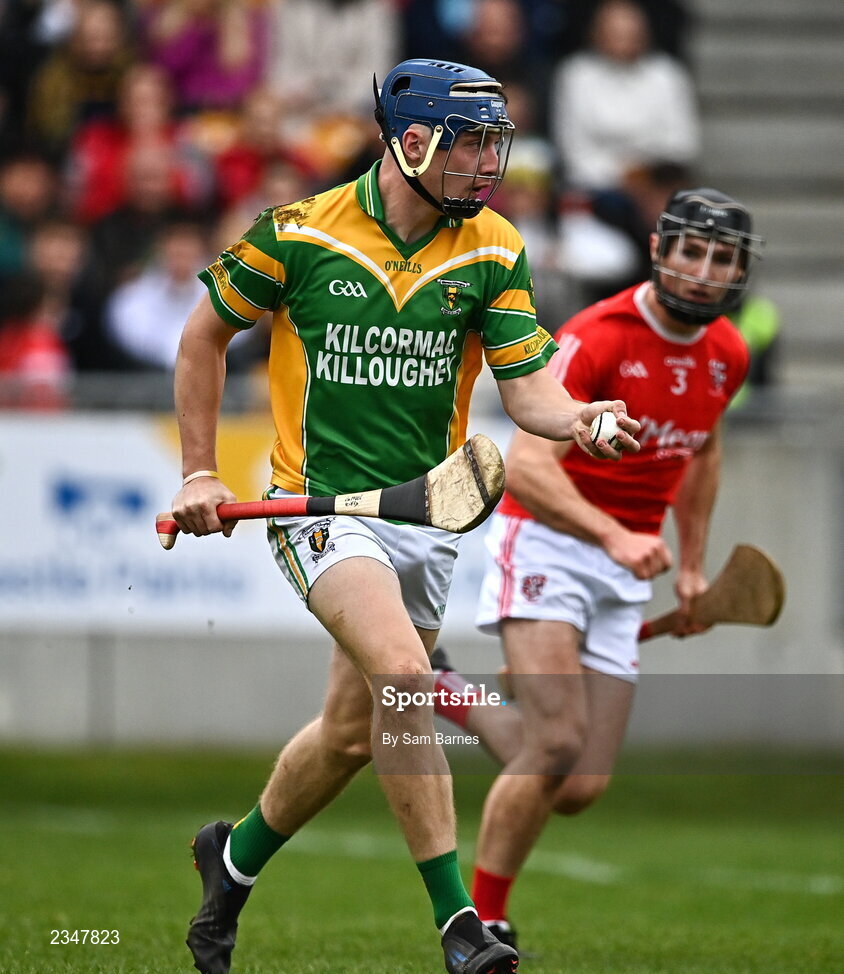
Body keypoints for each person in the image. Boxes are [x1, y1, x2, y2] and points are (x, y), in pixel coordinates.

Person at [171, 58, 640, 974]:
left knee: (352, 731)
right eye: (470, 145)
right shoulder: (298, 232)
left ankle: (228, 866)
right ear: (412, 141)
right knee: (400, 672)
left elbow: (529, 392)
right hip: (322, 509)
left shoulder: (493, 244)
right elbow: (203, 336)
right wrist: (197, 471)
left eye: (491, 145)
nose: (485, 165)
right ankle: (460, 925)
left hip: (428, 515)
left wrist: (581, 418)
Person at [431, 187, 763, 949]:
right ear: (658, 249)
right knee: (554, 744)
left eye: (723, 258)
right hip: (549, 539)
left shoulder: (728, 354)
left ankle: (450, 694)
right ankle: (482, 923)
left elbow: (703, 450)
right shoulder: (599, 335)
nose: (705, 271)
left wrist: (692, 567)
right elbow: (527, 468)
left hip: (627, 559)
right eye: (691, 250)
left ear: (739, 272)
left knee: (578, 782)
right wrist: (614, 536)